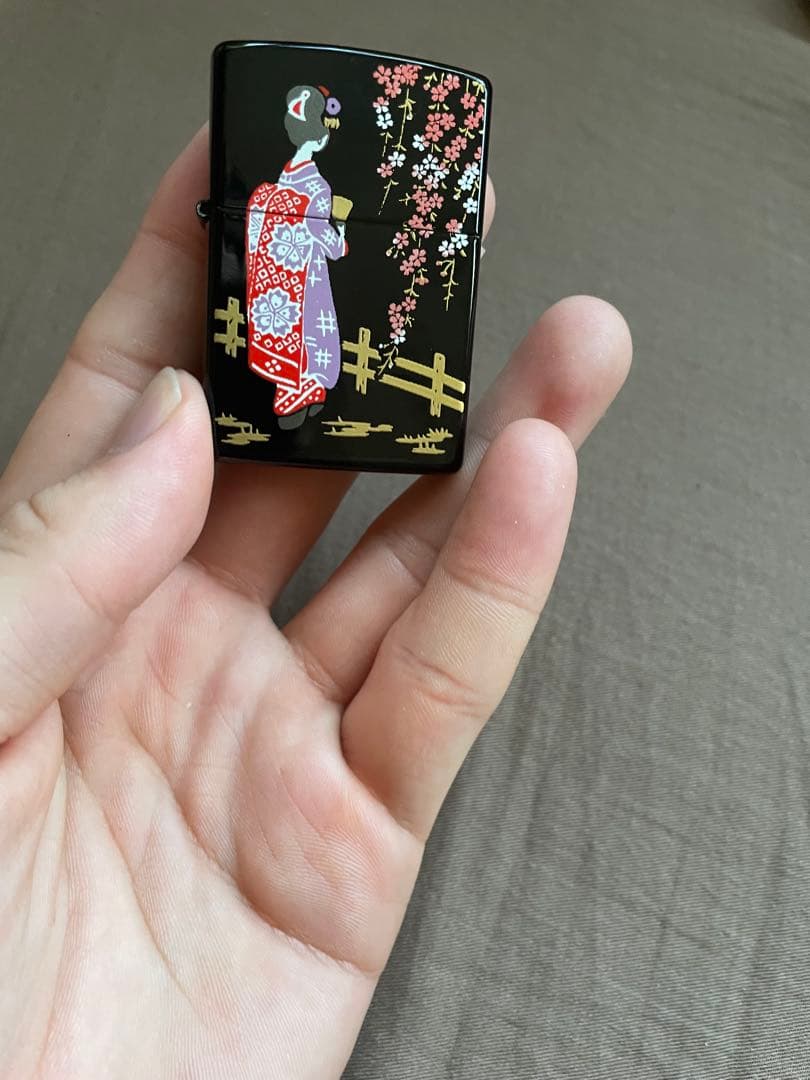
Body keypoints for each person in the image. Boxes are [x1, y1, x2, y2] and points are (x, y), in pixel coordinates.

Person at [0, 127, 631, 1077]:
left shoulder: (295, 189)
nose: (319, 143)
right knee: (298, 352)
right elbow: (299, 238)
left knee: (338, 365)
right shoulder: (284, 190)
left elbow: (320, 240)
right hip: (289, 301)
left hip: (311, 300)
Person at [246, 84, 348, 428]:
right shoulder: (318, 187)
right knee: (310, 328)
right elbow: (324, 237)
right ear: (321, 138)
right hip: (307, 273)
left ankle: (301, 391)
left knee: (291, 327)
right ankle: (302, 392)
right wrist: (341, 236)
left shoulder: (285, 175)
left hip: (281, 269)